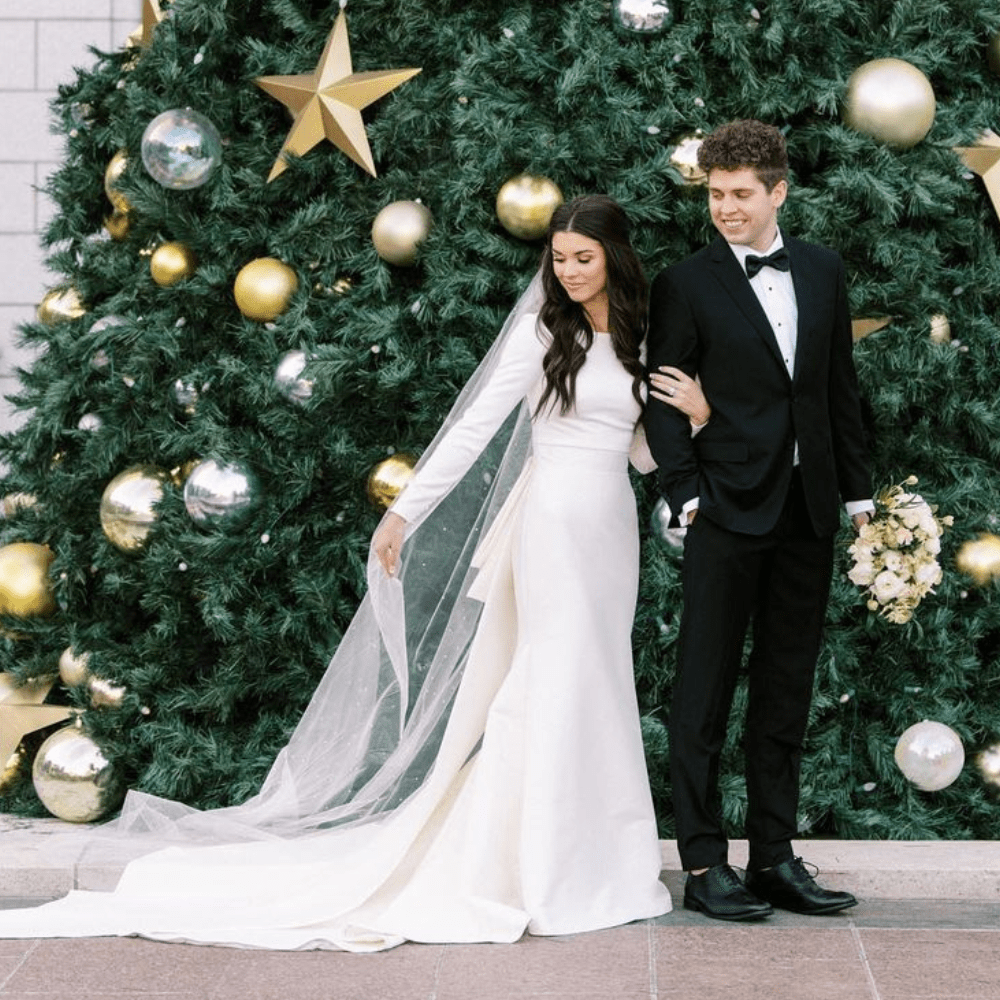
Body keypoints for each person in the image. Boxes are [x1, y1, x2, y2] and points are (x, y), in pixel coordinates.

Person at [0, 195, 709, 951]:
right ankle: (539, 867)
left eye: (583, 259)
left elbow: (639, 452)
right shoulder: (543, 331)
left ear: (615, 259)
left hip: (609, 528)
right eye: (559, 258)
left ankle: (597, 857)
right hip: (549, 527)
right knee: (550, 677)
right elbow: (475, 426)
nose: (567, 273)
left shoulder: (639, 336)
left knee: (599, 678)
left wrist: (697, 418)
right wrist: (406, 510)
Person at [644, 120, 874, 922]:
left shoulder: (821, 269)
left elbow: (835, 387)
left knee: (785, 692)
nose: (726, 209)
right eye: (715, 195)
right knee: (702, 695)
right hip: (726, 515)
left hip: (807, 516)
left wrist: (859, 496)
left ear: (779, 191)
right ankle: (705, 865)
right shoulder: (686, 282)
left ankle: (773, 857)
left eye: (742, 195)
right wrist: (686, 493)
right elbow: (665, 398)